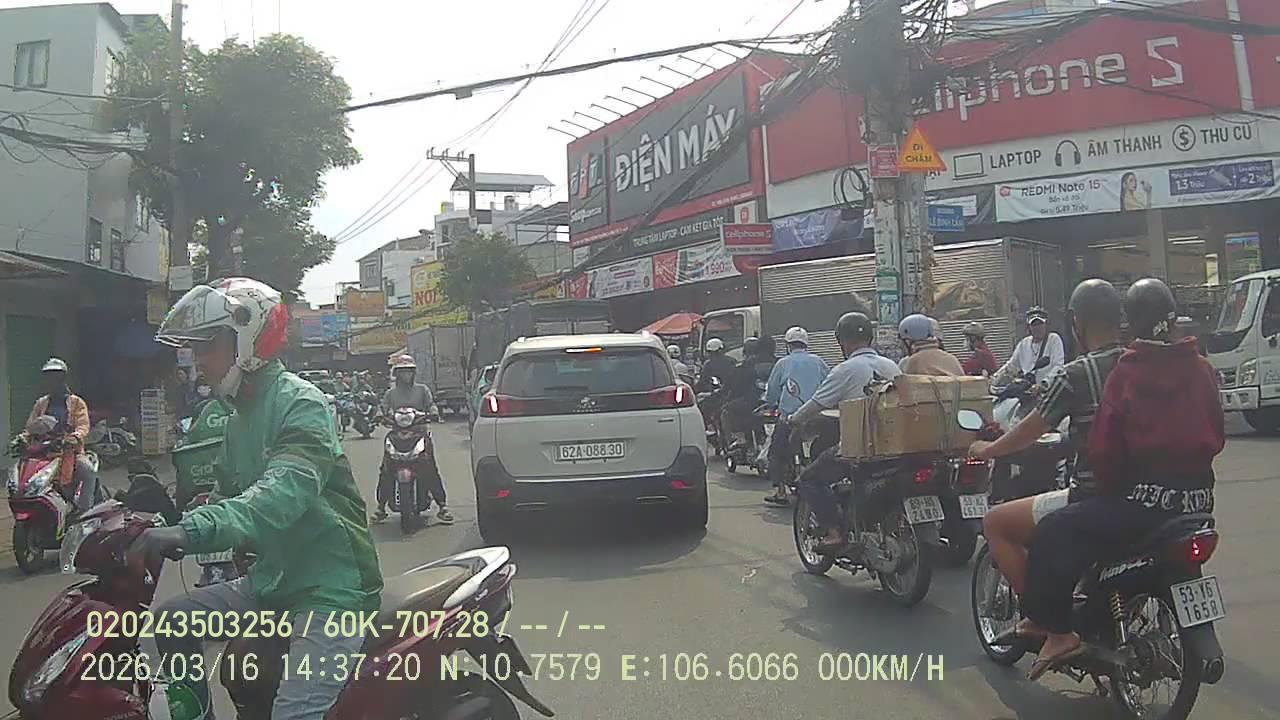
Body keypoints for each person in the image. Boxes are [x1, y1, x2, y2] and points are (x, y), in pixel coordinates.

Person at [131, 278, 383, 720]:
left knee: (293, 713)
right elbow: (226, 496)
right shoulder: (234, 420)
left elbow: (277, 497)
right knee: (173, 621)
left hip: (330, 591)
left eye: (207, 346)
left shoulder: (301, 404)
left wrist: (192, 531)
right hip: (272, 583)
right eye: (194, 348)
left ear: (248, 339)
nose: (197, 361)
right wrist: (158, 514)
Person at [1019, 277, 1223, 680]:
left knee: (1053, 530)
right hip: (1199, 503)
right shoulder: (1202, 368)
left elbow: (1104, 449)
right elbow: (1216, 432)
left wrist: (1113, 490)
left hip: (1140, 507)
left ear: (1130, 322)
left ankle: (1058, 632)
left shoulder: (1128, 372)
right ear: (1174, 317)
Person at [968, 279, 1125, 641]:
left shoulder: (1077, 372)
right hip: (1148, 491)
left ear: (1076, 323)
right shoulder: (1140, 364)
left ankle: (1045, 619)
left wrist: (987, 450)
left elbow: (1029, 431)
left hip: (1096, 493)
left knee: (996, 522)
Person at [792, 313, 902, 550]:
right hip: (896, 445)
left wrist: (793, 420)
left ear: (842, 341)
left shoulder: (845, 369)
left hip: (860, 448)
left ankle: (834, 533)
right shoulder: (892, 366)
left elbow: (816, 403)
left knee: (809, 478)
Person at [375, 354, 453, 525]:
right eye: (402, 371)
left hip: (419, 433)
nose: (406, 375)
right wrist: (380, 415)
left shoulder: (422, 390)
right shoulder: (391, 393)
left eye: (409, 371)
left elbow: (431, 405)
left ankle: (442, 506)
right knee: (386, 469)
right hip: (396, 434)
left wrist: (433, 412)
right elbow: (383, 407)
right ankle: (381, 507)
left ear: (414, 373)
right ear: (396, 374)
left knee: (430, 468)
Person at [21, 357, 100, 514]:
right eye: (49, 377)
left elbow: (83, 425)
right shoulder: (41, 403)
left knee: (89, 471)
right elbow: (30, 426)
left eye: (56, 377)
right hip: (44, 451)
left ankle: (85, 510)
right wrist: (22, 438)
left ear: (63, 378)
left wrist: (74, 437)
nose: (52, 381)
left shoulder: (76, 402)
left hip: (70, 451)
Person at [763, 327, 830, 505]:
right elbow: (829, 385)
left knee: (776, 453)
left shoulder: (783, 363)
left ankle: (780, 491)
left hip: (790, 418)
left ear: (788, 345)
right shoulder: (819, 362)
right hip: (817, 417)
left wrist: (772, 404)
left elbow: (772, 392)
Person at [991, 306, 1065, 389]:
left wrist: (1044, 383)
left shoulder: (1053, 339)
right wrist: (994, 378)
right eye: (1034, 325)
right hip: (1027, 388)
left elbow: (1058, 366)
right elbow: (1011, 366)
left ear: (1045, 325)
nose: (1037, 328)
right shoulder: (1024, 343)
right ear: (1029, 327)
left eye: (1040, 324)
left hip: (1047, 389)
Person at [723, 336, 775, 450]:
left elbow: (737, 387)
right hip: (777, 403)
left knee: (726, 410)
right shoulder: (779, 363)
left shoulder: (746, 365)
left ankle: (736, 440)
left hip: (753, 402)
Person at [898, 314, 964, 376]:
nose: (901, 346)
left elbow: (906, 383)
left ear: (908, 341)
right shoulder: (952, 359)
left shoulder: (914, 361)